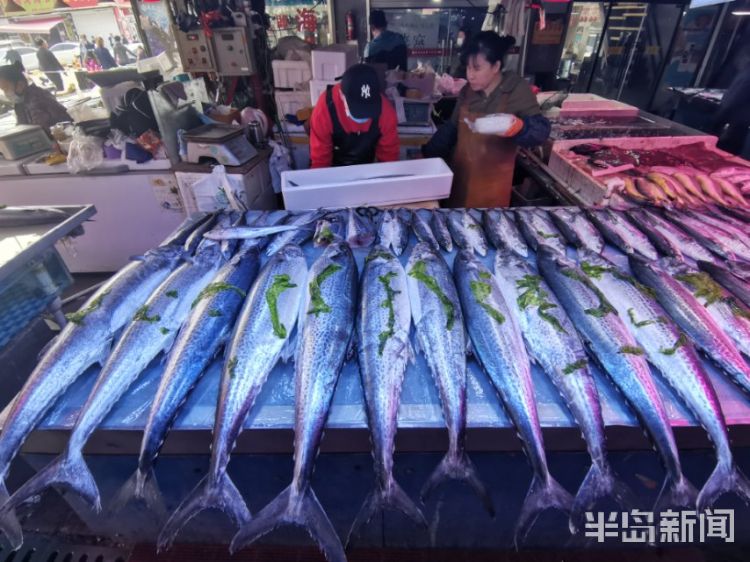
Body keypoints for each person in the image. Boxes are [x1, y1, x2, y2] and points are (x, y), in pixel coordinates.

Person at [422, 32, 550, 208]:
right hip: (460, 180)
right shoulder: (467, 91)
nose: (470, 75)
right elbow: (451, 130)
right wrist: (426, 154)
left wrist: (520, 128)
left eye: (477, 68)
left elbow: (541, 131)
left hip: (492, 190)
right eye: (468, 68)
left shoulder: (515, 89)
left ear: (496, 66)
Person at [308, 63, 399, 168]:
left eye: (368, 109)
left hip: (365, 168)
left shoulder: (386, 113)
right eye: (357, 109)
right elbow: (320, 162)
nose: (363, 118)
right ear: (342, 95)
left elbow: (389, 158)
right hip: (332, 168)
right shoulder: (324, 111)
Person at [0, 62, 71, 134]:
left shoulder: (39, 97)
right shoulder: (19, 104)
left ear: (20, 84)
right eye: (2, 89)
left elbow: (63, 123)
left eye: (6, 88)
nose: (6, 93)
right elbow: (22, 127)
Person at [713, 65, 750, 156]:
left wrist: (718, 119)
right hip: (742, 123)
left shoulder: (746, 75)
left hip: (734, 122)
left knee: (722, 153)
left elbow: (733, 99)